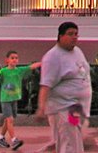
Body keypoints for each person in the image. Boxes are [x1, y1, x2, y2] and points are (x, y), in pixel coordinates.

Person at [35, 22, 92, 153]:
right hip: (63, 108)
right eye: (70, 34)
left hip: (77, 109)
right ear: (60, 36)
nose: (74, 37)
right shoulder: (53, 57)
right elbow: (45, 85)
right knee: (68, 144)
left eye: (76, 34)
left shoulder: (77, 51)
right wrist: (41, 108)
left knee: (74, 142)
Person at [0, 51, 41, 150]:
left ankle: (1, 137)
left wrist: (43, 62)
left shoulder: (19, 70)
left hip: (14, 99)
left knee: (8, 120)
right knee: (10, 119)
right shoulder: (3, 71)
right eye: (12, 58)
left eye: (16, 58)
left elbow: (31, 66)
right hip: (5, 99)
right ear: (7, 60)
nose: (14, 60)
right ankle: (14, 140)